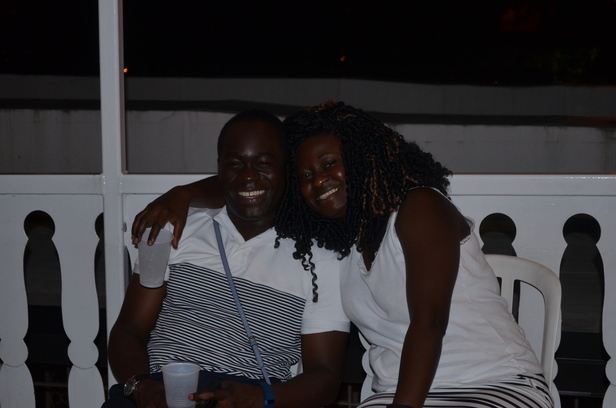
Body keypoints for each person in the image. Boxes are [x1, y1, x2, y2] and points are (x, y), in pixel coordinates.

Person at [132, 101, 554, 408]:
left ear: (362, 157)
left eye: (330, 164)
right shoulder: (343, 243)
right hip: (395, 395)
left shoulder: (418, 207)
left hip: (490, 384)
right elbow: (250, 183)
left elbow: (428, 323)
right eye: (305, 175)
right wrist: (182, 194)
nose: (319, 181)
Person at [105, 109, 349, 408]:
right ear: (219, 169)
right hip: (160, 390)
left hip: (251, 396)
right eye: (235, 164)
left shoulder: (322, 260)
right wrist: (141, 386)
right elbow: (129, 327)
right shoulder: (173, 229)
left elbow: (325, 375)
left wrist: (259, 398)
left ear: (287, 169)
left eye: (264, 163)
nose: (248, 176)